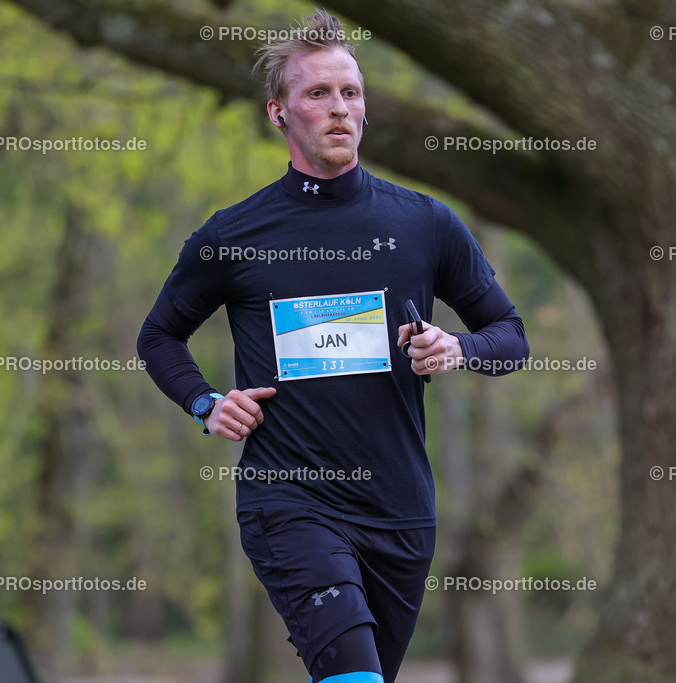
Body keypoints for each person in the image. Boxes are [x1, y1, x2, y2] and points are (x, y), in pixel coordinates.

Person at [137, 9, 528, 683]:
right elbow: (159, 336)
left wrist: (456, 347)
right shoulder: (233, 235)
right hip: (290, 502)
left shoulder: (425, 224)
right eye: (318, 93)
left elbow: (512, 337)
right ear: (279, 113)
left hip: (401, 511)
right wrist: (205, 403)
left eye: (350, 92)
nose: (339, 107)